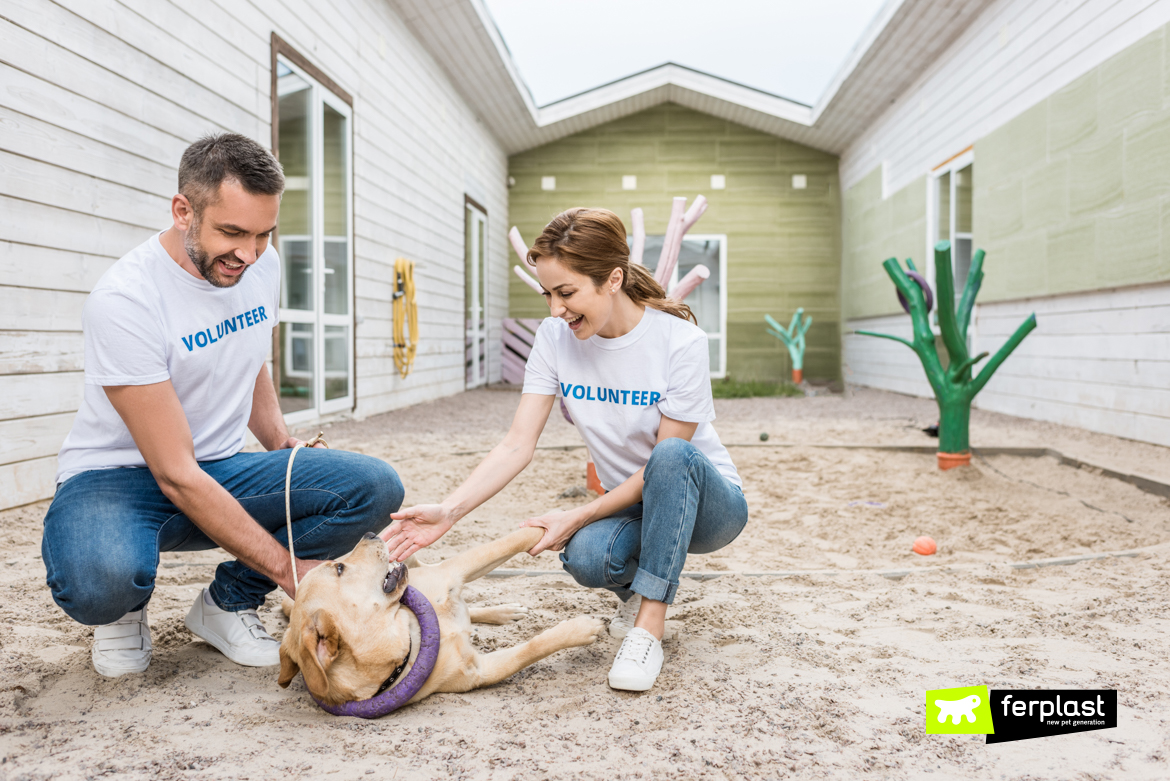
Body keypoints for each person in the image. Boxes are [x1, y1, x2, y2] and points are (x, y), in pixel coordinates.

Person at [42, 134, 404, 678]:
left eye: (263, 233)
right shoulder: (126, 300)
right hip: (115, 479)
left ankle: (226, 604)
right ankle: (123, 610)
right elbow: (176, 474)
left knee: (374, 487)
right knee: (100, 582)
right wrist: (290, 571)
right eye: (232, 233)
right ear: (183, 210)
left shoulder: (260, 264)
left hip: (221, 467)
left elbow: (250, 356)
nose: (249, 253)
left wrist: (280, 441)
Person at [382, 207, 747, 692]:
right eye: (548, 294)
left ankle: (649, 629)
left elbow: (670, 459)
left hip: (708, 505)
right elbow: (517, 444)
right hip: (635, 504)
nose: (556, 309)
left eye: (567, 293)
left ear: (612, 279)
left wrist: (578, 513)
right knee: (587, 556)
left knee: (670, 458)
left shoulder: (680, 342)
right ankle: (638, 595)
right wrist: (450, 510)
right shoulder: (555, 338)